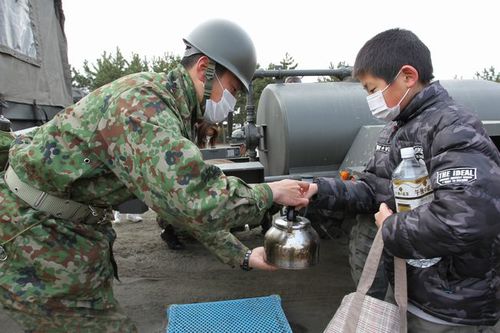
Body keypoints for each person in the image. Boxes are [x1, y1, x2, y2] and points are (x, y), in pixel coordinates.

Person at [0, 19, 310, 332]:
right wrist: (271, 193)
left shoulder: (171, 109)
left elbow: (177, 204)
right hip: (36, 236)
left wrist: (242, 255)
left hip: (66, 234)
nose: (229, 105)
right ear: (205, 69)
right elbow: (197, 200)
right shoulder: (145, 108)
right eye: (230, 90)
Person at [306, 28, 500, 331]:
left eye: (373, 89)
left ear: (408, 76)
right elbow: (374, 190)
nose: (371, 100)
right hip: (410, 292)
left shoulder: (453, 127)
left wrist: (391, 228)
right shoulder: (397, 129)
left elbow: (467, 219)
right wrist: (317, 189)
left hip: (448, 307)